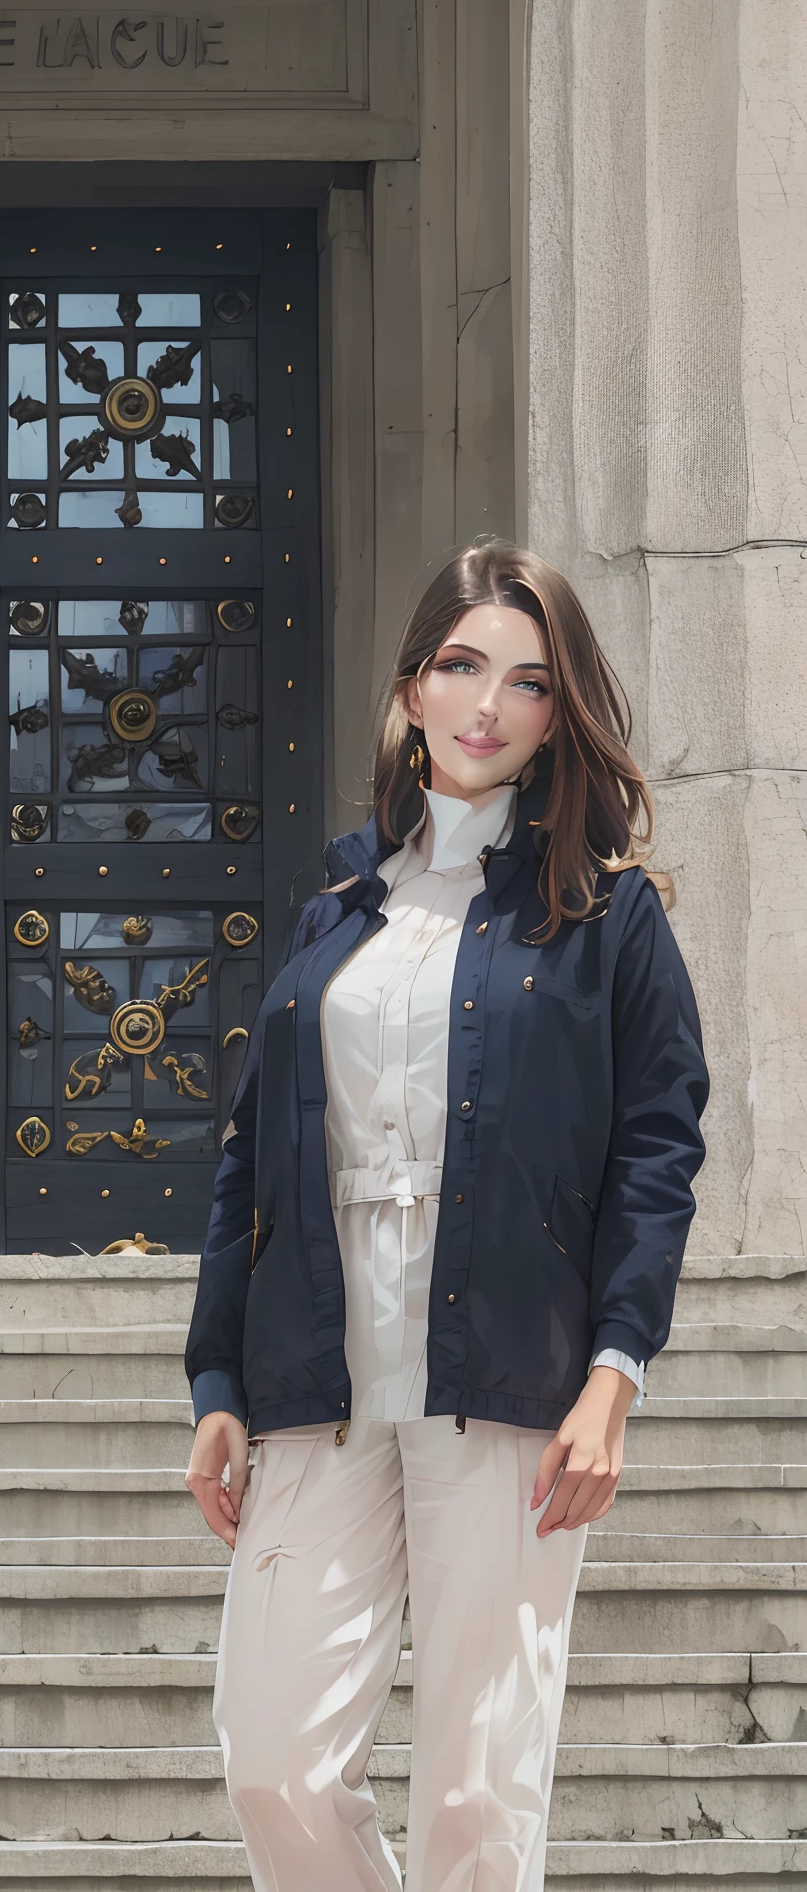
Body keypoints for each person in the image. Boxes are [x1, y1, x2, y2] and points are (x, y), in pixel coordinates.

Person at [183, 540, 708, 1892]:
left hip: (513, 1384)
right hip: (322, 1377)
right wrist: (216, 1380)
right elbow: (254, 1159)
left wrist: (616, 1372)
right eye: (463, 666)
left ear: (557, 714)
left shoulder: (610, 919)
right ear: (412, 688)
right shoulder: (334, 917)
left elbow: (657, 1151)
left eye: (529, 682)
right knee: (273, 1762)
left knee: (478, 1792)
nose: (489, 703)